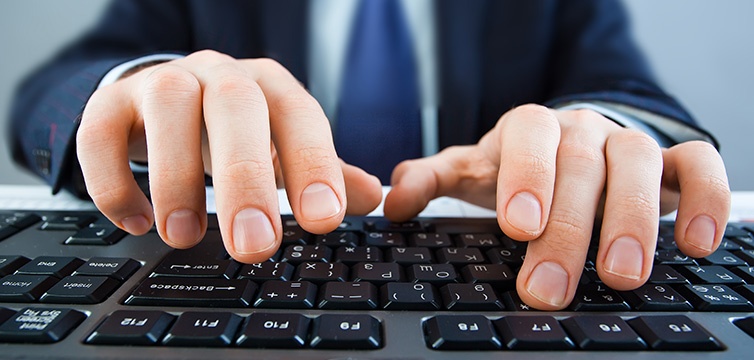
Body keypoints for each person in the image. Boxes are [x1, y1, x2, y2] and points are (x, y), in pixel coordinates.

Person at [8, 0, 730, 311]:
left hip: (495, 263)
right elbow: (48, 92)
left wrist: (592, 131)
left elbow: (628, 90)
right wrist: (137, 89)